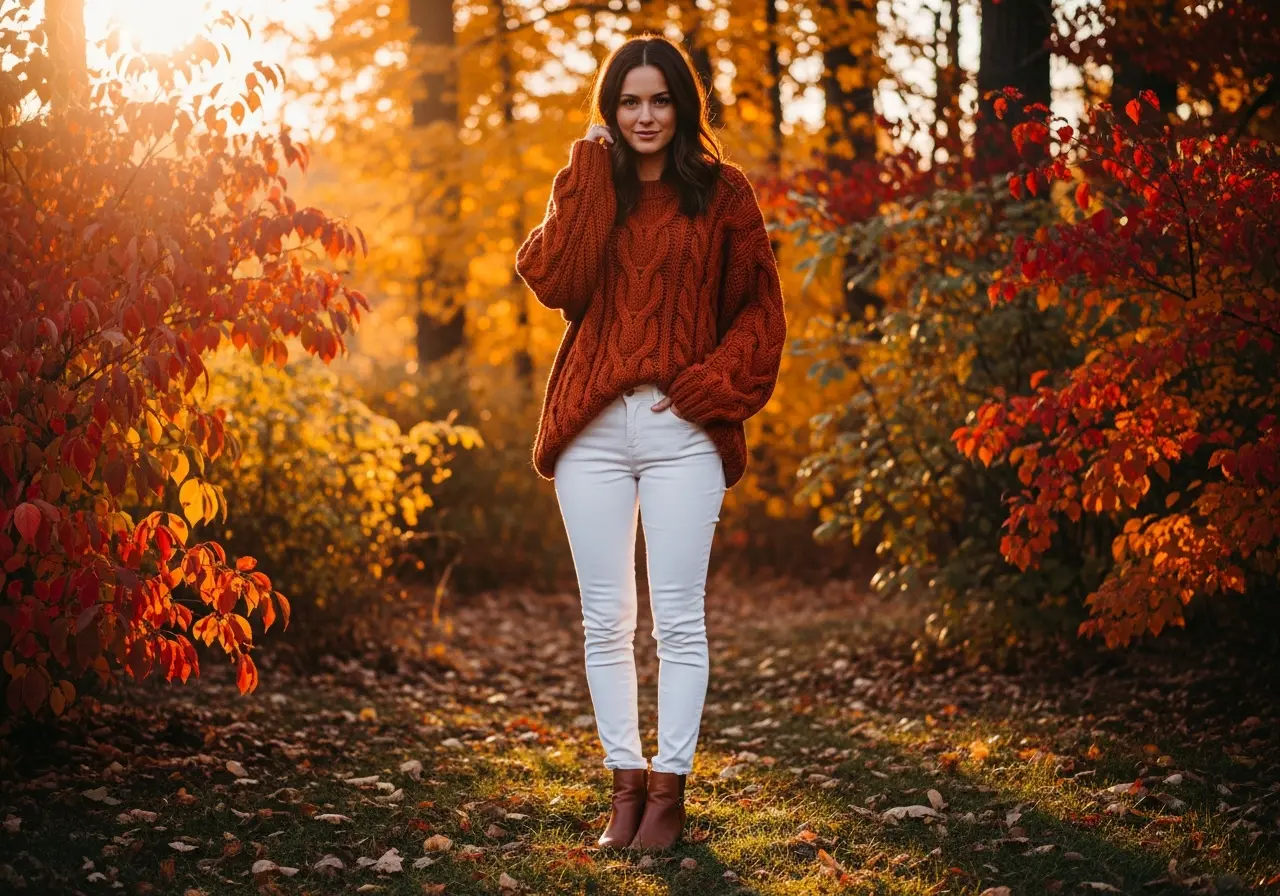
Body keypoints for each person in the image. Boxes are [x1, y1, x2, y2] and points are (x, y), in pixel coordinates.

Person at [514, 34, 787, 853]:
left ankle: (669, 795)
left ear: (682, 106)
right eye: (629, 101)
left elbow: (762, 315)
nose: (644, 115)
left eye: (659, 100)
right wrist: (585, 172)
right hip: (592, 428)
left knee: (678, 622)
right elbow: (554, 278)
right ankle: (624, 791)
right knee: (605, 621)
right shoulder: (596, 188)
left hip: (680, 431)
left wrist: (707, 388)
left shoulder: (724, 194)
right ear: (610, 110)